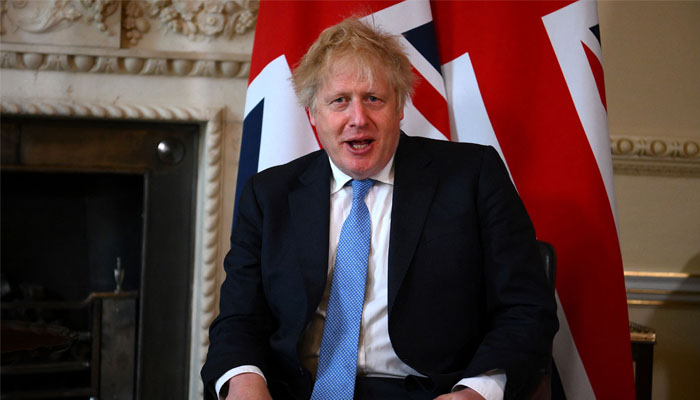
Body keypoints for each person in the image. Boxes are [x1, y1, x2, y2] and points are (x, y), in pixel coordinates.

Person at [202, 17, 558, 400]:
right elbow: (239, 319)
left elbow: (526, 309)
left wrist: (476, 391)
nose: (358, 118)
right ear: (313, 115)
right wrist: (244, 382)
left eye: (373, 99)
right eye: (339, 101)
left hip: (430, 391)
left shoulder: (473, 178)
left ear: (399, 107)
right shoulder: (269, 195)